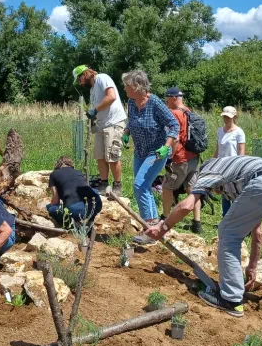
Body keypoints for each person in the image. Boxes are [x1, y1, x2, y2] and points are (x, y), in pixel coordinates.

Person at [134, 156, 262, 319]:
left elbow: (187, 205)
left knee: (228, 231)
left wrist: (162, 228)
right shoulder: (239, 175)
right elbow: (258, 232)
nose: (215, 192)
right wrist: (252, 266)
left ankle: (231, 300)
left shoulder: (209, 170)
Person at [121, 71, 178, 227]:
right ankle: (152, 225)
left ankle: (148, 225)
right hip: (140, 151)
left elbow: (174, 124)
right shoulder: (132, 102)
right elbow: (132, 120)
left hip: (157, 151)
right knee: (143, 187)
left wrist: (167, 147)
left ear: (136, 86)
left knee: (140, 185)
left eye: (127, 85)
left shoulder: (155, 103)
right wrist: (127, 132)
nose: (125, 88)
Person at [74, 65, 127, 199]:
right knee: (99, 156)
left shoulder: (102, 78)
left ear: (84, 74)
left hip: (113, 122)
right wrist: (93, 118)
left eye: (79, 79)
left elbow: (111, 97)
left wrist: (95, 110)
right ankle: (103, 184)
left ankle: (117, 186)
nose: (80, 83)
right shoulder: (92, 89)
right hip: (101, 124)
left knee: (112, 156)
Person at [161, 88, 202, 234]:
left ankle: (165, 218)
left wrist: (171, 157)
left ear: (173, 98)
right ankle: (197, 223)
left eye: (166, 98)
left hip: (181, 158)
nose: (165, 101)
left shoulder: (174, 114)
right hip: (194, 157)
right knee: (193, 190)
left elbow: (175, 138)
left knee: (167, 187)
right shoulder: (189, 111)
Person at [215, 106, 247, 215]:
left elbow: (241, 151)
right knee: (224, 193)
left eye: (228, 117)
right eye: (224, 116)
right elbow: (218, 149)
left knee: (235, 194)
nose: (226, 119)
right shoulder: (220, 131)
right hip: (221, 166)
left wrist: (239, 168)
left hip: (234, 166)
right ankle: (226, 218)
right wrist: (212, 163)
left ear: (234, 117)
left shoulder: (239, 132)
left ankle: (236, 219)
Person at [47, 156, 92, 229]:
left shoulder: (53, 174)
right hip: (90, 208)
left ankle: (70, 225)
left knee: (52, 209)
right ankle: (85, 222)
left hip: (75, 209)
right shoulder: (79, 172)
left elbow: (55, 200)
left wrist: (49, 206)